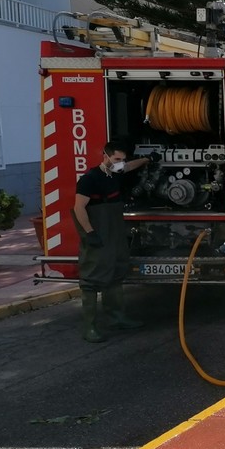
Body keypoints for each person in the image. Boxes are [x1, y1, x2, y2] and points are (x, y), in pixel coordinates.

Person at [72, 141, 155, 342]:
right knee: (92, 277)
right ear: (106, 156)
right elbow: (79, 208)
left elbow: (129, 167)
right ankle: (89, 327)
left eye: (122, 160)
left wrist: (147, 159)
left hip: (115, 229)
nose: (120, 163)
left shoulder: (115, 173)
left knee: (116, 272)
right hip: (98, 229)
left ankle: (117, 318)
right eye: (117, 159)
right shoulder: (89, 179)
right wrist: (90, 233)